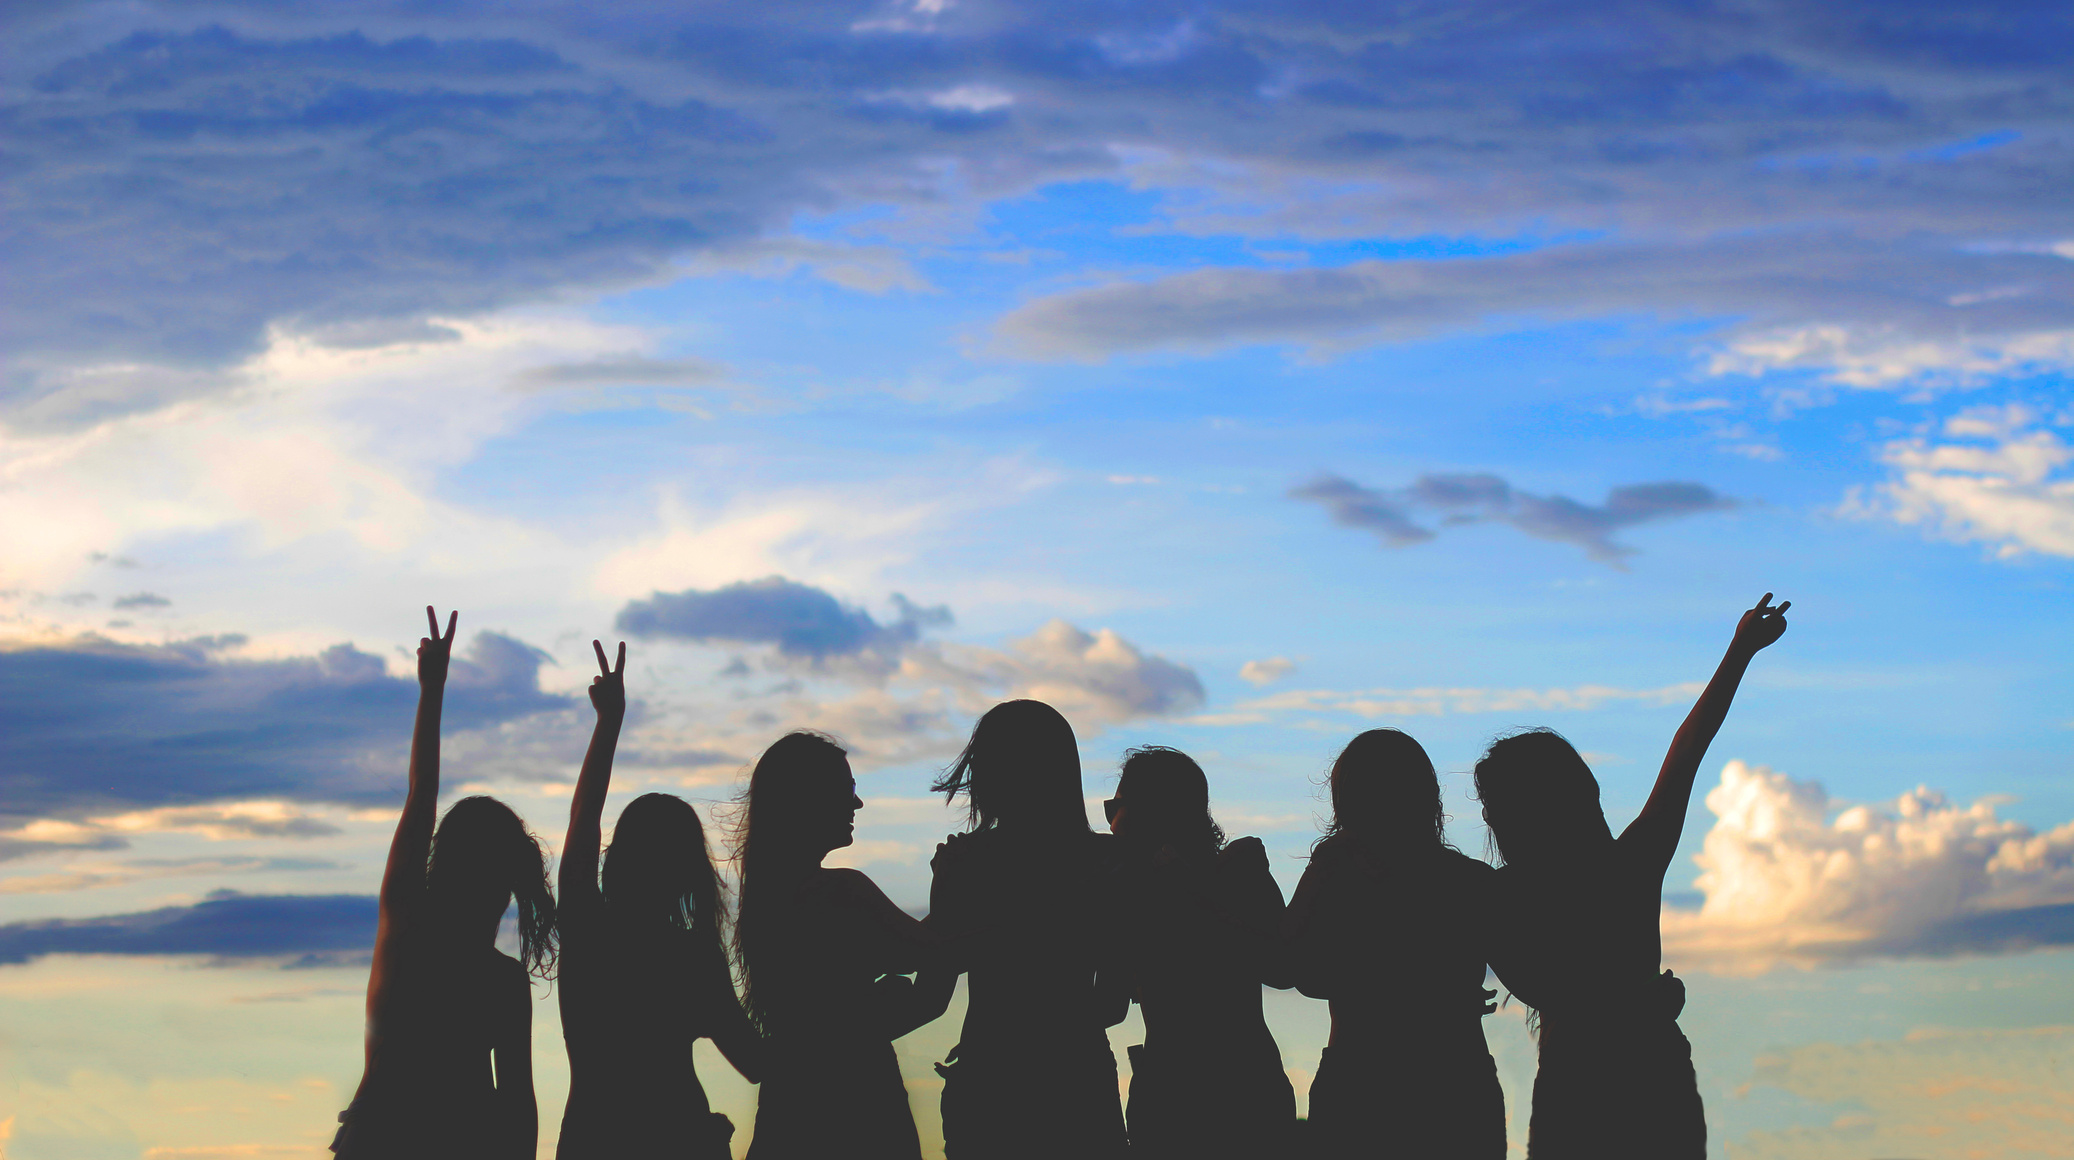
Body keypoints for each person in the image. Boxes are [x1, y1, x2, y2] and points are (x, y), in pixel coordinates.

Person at [1478, 593, 1791, 1159]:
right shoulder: (1630, 866)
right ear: (1582, 795)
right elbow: (1688, 749)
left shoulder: (1497, 897)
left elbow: (1548, 990)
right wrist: (1739, 652)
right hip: (1652, 1082)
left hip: (1574, 1092)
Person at [333, 607, 556, 1159]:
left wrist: (433, 687)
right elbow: (519, 1104)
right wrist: (431, 688)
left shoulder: (409, 931)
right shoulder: (489, 974)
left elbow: (421, 794)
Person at [554, 641, 761, 1159]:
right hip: (681, 1136)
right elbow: (756, 1061)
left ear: (618, 858)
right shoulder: (693, 955)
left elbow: (582, 821)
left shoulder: (587, 931)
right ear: (689, 872)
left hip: (591, 1139)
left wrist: (609, 723)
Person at [1281, 729, 1505, 1158]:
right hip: (1454, 1082)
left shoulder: (1333, 880)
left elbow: (1289, 964)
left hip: (1358, 1080)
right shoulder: (1471, 881)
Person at [927, 699, 1129, 1160]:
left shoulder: (967, 863)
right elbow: (1113, 1003)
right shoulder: (1109, 861)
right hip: (1079, 1083)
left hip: (988, 1083)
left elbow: (934, 989)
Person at [736, 731, 952, 1160]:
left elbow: (909, 949)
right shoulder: (842, 892)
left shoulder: (772, 902)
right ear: (809, 800)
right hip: (863, 1113)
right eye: (847, 789)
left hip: (788, 1115)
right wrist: (951, 886)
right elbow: (936, 956)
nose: (858, 804)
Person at [1105, 746, 1292, 1160]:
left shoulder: (1236, 872)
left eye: (1115, 808)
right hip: (1241, 1089)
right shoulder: (1231, 873)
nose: (1111, 823)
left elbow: (1283, 968)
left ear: (1145, 812)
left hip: (1182, 1097)